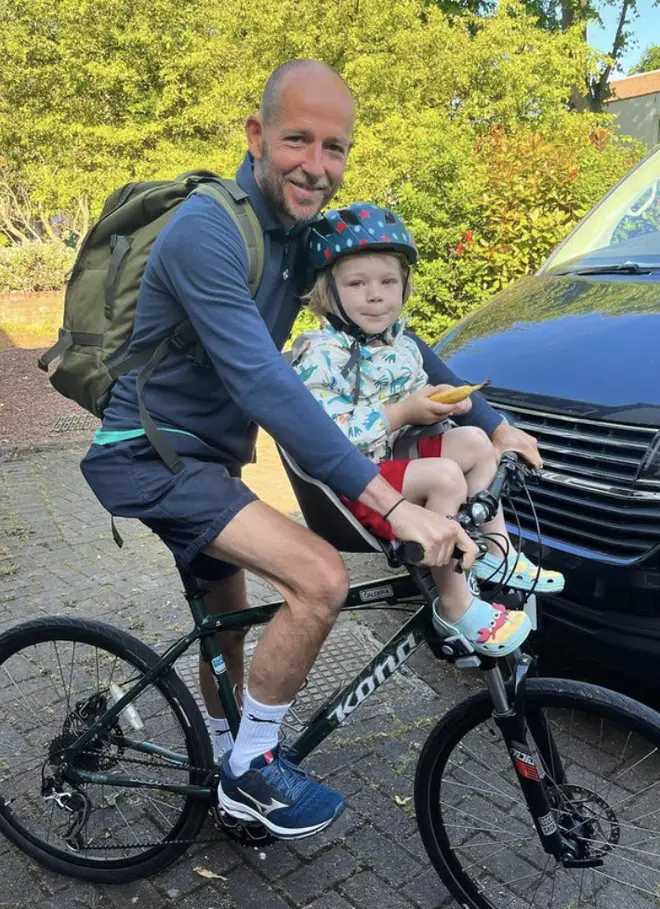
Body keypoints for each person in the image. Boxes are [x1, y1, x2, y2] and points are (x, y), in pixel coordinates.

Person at [80, 58, 543, 840]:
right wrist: (390, 502)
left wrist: (492, 422)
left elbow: (391, 336)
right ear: (257, 136)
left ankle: (227, 766)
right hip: (149, 457)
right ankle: (253, 766)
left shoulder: (296, 239)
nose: (317, 166)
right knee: (321, 577)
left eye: (336, 148)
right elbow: (267, 385)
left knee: (228, 629)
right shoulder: (207, 230)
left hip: (210, 463)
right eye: (298, 140)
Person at [291, 203, 562, 646]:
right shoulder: (320, 353)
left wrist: (438, 408)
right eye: (357, 284)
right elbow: (327, 434)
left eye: (388, 282)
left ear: (404, 286)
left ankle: (497, 551)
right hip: (355, 485)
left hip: (393, 462)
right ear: (328, 292)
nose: (376, 295)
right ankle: (453, 604)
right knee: (443, 475)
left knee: (474, 441)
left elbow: (425, 400)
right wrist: (401, 414)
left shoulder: (399, 345)